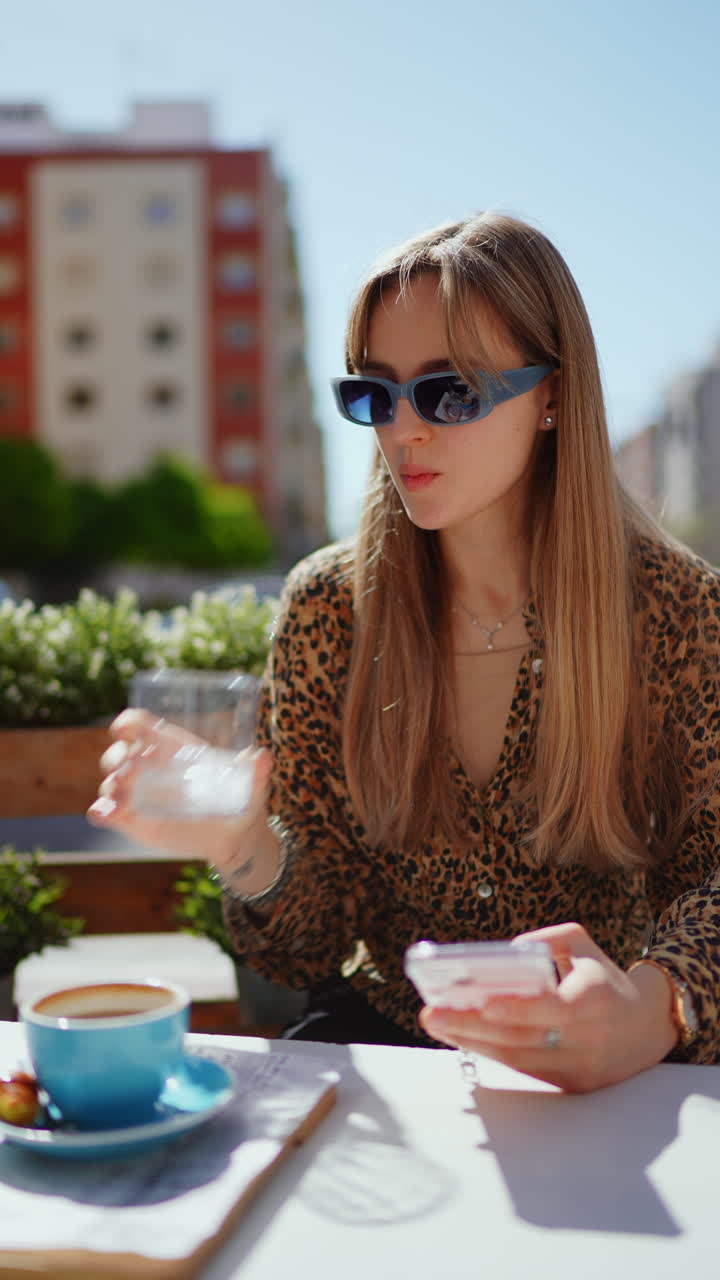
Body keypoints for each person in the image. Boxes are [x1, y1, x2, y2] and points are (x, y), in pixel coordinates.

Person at [89, 210, 720, 1092]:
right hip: (388, 1055)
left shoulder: (676, 608)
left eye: (450, 391)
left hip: (605, 1063)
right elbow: (307, 941)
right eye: (374, 394)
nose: (402, 430)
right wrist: (243, 846)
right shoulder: (326, 611)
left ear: (554, 397)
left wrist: (653, 1009)